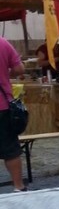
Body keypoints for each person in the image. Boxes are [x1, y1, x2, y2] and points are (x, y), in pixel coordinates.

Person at [0, 36, 26, 191]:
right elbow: (19, 69)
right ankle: (18, 186)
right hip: (2, 105)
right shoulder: (3, 43)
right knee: (10, 150)